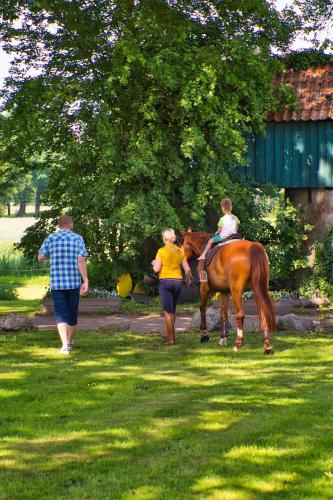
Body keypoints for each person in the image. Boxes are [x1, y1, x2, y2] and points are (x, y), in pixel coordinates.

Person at [38, 215, 89, 354]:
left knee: (61, 313)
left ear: (59, 225)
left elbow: (40, 257)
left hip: (57, 284)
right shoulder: (77, 238)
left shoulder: (51, 238)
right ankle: (70, 342)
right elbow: (81, 260)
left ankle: (65, 345)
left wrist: (53, 255)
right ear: (71, 224)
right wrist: (86, 280)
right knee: (72, 313)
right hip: (73, 283)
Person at [151, 228, 192, 345]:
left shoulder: (161, 251)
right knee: (172, 310)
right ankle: (170, 334)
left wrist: (154, 263)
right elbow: (187, 269)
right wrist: (188, 280)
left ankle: (170, 339)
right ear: (173, 238)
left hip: (165, 282)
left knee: (167, 312)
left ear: (164, 239)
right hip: (178, 282)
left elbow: (156, 269)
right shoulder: (180, 251)